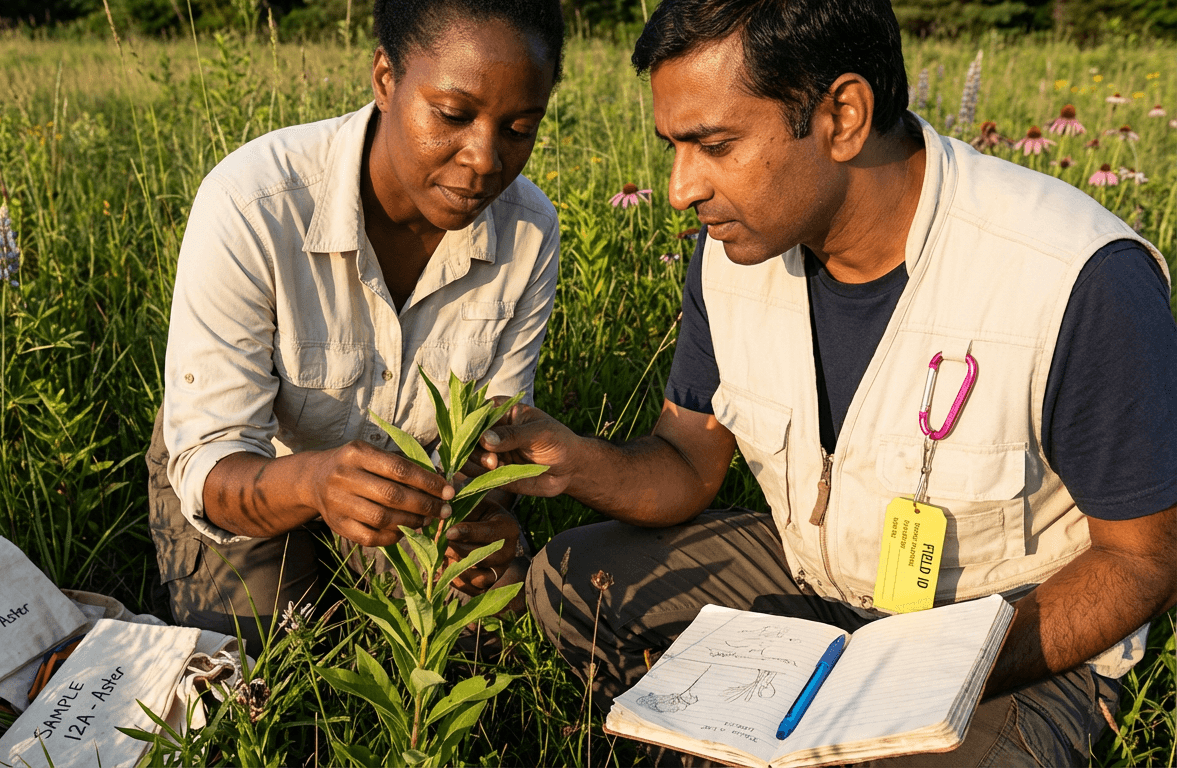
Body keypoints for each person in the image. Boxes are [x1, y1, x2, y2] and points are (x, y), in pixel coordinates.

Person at [473, 0, 1177, 764]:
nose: (681, 188)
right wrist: (574, 460)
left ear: (843, 115)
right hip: (815, 595)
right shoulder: (734, 254)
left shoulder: (1071, 276)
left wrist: (920, 675)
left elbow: (1146, 559)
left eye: (714, 145)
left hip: (1010, 643)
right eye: (674, 147)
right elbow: (685, 463)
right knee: (576, 579)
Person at [147, 0, 565, 648]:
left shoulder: (529, 232)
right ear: (384, 79)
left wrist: (485, 512)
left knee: (486, 639)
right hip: (253, 467)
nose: (485, 159)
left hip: (414, 491)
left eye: (519, 127)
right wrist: (316, 482)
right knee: (259, 674)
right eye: (452, 116)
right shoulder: (254, 202)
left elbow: (496, 432)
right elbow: (211, 458)